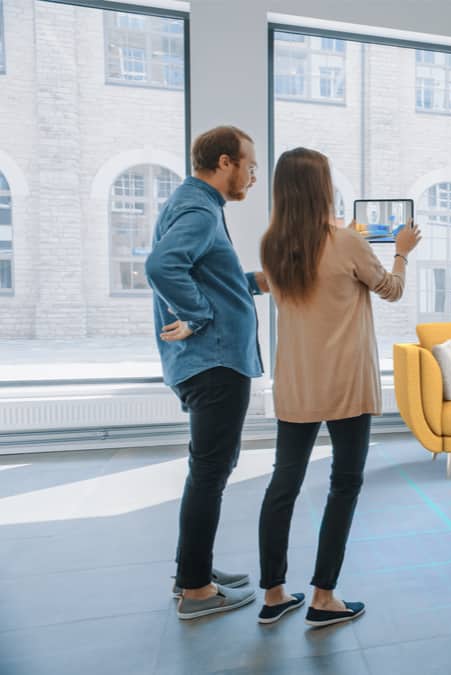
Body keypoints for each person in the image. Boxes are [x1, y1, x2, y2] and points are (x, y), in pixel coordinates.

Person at [256, 147, 421, 627]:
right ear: (322, 188)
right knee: (344, 485)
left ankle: (273, 594)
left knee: (282, 485)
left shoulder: (272, 244)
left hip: (297, 382)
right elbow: (391, 289)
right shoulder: (346, 242)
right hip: (346, 383)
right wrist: (401, 253)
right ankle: (323, 596)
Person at [145, 125, 265, 620]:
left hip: (208, 361)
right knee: (210, 473)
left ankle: (193, 573)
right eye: (249, 166)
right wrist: (196, 316)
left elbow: (205, 275)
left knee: (208, 472)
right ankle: (196, 591)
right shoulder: (199, 208)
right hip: (214, 362)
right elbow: (162, 266)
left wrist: (257, 282)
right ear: (223, 163)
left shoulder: (194, 203)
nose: (253, 177)